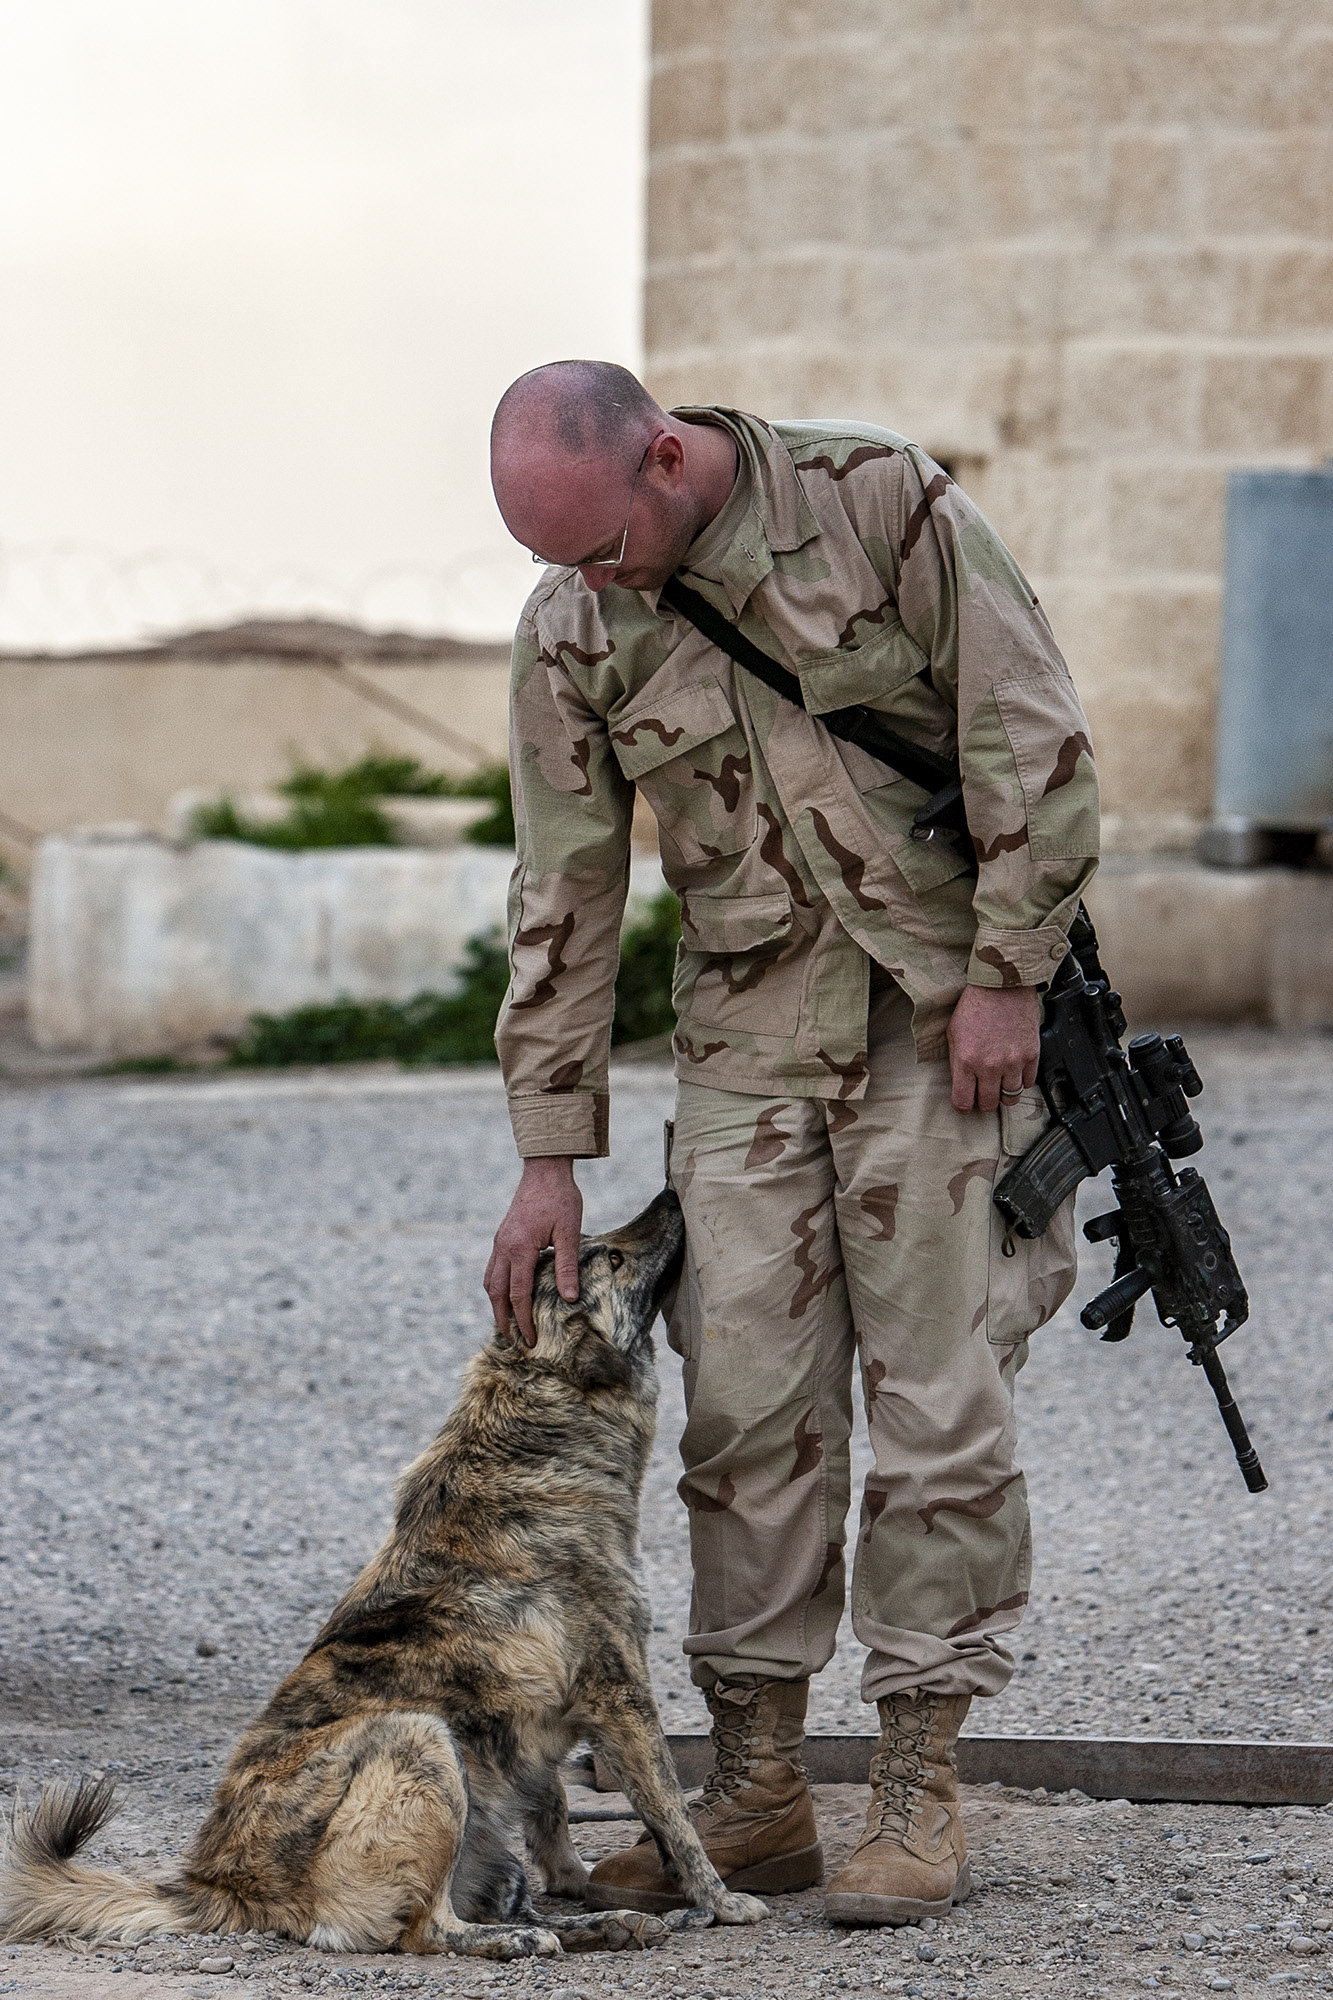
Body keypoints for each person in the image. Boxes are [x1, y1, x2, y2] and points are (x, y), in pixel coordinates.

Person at [484, 360, 1098, 1925]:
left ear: (665, 459)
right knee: (740, 1416)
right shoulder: (569, 623)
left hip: (935, 1024)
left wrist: (1007, 978)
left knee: (936, 1402)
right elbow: (564, 889)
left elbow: (1026, 732)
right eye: (553, 562)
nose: (586, 585)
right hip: (747, 1046)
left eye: (602, 547)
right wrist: (551, 1150)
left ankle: (914, 1782)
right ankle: (755, 1786)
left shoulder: (876, 503)